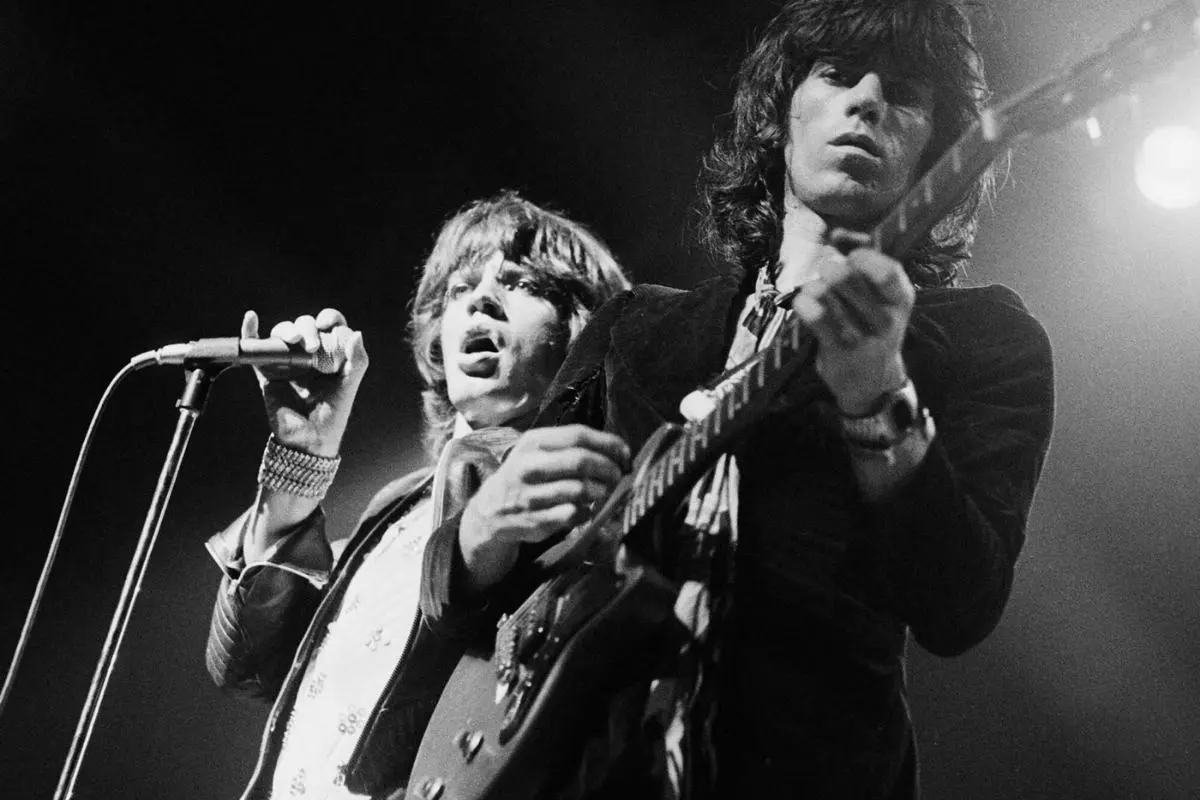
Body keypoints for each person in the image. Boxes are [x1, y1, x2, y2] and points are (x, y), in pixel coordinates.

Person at [420, 1, 1056, 798]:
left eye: (905, 91)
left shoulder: (988, 341)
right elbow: (476, 609)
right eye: (836, 73)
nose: (867, 101)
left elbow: (960, 606)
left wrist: (879, 397)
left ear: (939, 143)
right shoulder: (634, 327)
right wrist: (481, 535)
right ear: (780, 110)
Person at [202, 191, 631, 800]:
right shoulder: (396, 506)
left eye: (521, 283)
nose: (483, 298)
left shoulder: (581, 488)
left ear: (577, 330)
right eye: (460, 289)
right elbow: (243, 665)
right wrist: (303, 457)